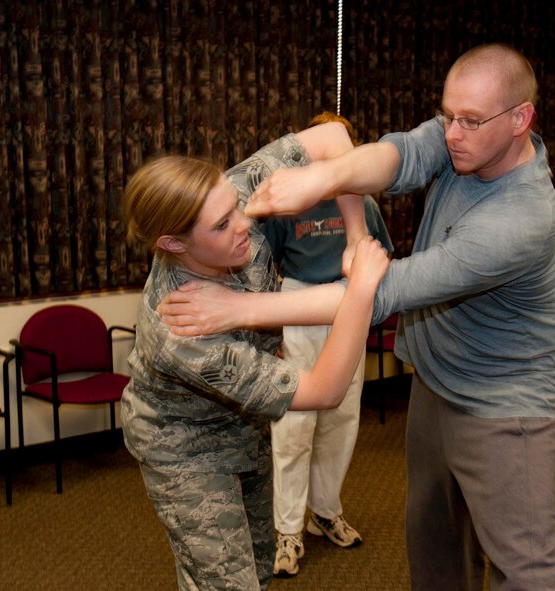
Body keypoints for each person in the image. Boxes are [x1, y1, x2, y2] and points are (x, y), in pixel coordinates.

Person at [159, 42, 555, 590]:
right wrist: (325, 180)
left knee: (528, 569)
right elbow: (397, 155)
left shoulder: (522, 219)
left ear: (522, 119)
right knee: (435, 546)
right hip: (437, 381)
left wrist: (243, 307)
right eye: (447, 115)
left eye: (469, 121)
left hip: (504, 405)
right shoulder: (463, 140)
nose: (452, 133)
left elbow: (380, 292)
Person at [120, 123, 389, 591]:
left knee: (259, 567)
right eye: (222, 225)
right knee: (228, 585)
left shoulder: (228, 195)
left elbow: (332, 139)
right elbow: (324, 390)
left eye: (234, 208)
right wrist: (361, 288)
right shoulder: (180, 326)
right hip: (186, 449)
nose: (245, 222)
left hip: (244, 423)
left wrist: (354, 235)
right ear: (173, 244)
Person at [264, 112, 394, 577]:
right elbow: (268, 269)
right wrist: (272, 335)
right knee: (295, 426)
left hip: (347, 310)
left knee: (341, 418)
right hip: (300, 308)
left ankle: (324, 511)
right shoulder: (290, 203)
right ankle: (287, 530)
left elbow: (382, 259)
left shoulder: (363, 204)